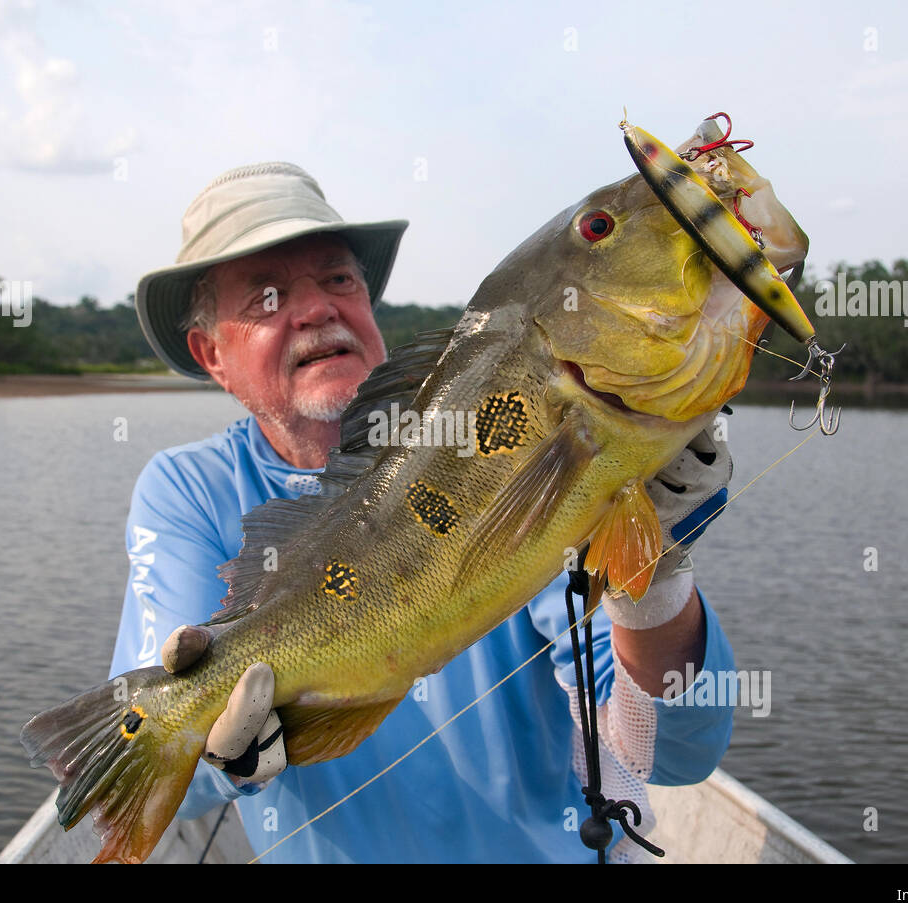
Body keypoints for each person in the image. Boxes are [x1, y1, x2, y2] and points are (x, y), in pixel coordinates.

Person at [111, 162, 737, 863]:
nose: (316, 308)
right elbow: (171, 784)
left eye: (339, 279)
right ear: (212, 355)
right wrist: (220, 753)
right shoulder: (190, 489)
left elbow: (677, 749)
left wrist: (653, 579)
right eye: (266, 297)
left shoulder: (494, 436)